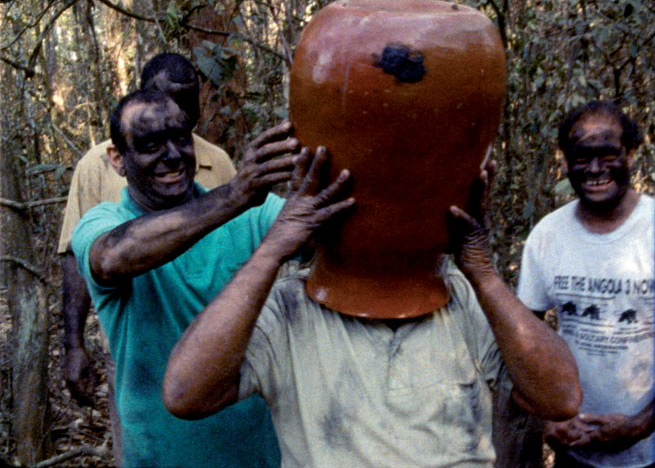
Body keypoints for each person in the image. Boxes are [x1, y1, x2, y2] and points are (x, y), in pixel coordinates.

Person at [163, 146, 583, 467]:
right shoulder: (290, 307)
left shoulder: (461, 294)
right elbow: (185, 394)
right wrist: (271, 250)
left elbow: (560, 398)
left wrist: (483, 272)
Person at [71, 88, 298, 467]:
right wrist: (236, 194)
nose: (173, 155)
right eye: (151, 144)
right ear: (117, 159)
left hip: (257, 456)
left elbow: (325, 235)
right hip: (160, 458)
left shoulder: (253, 214)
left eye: (181, 138)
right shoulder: (104, 222)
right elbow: (112, 257)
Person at [58, 53, 235, 465]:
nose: (178, 110)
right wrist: (73, 345)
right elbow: (80, 257)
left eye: (189, 103)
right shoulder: (96, 165)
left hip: (215, 344)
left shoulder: (217, 161)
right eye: (167, 98)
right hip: (135, 353)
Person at [516, 100, 655, 468]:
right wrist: (548, 418)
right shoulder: (548, 235)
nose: (594, 169)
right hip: (574, 449)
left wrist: (643, 423)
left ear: (630, 154)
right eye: (581, 157)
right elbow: (522, 343)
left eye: (607, 154)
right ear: (565, 162)